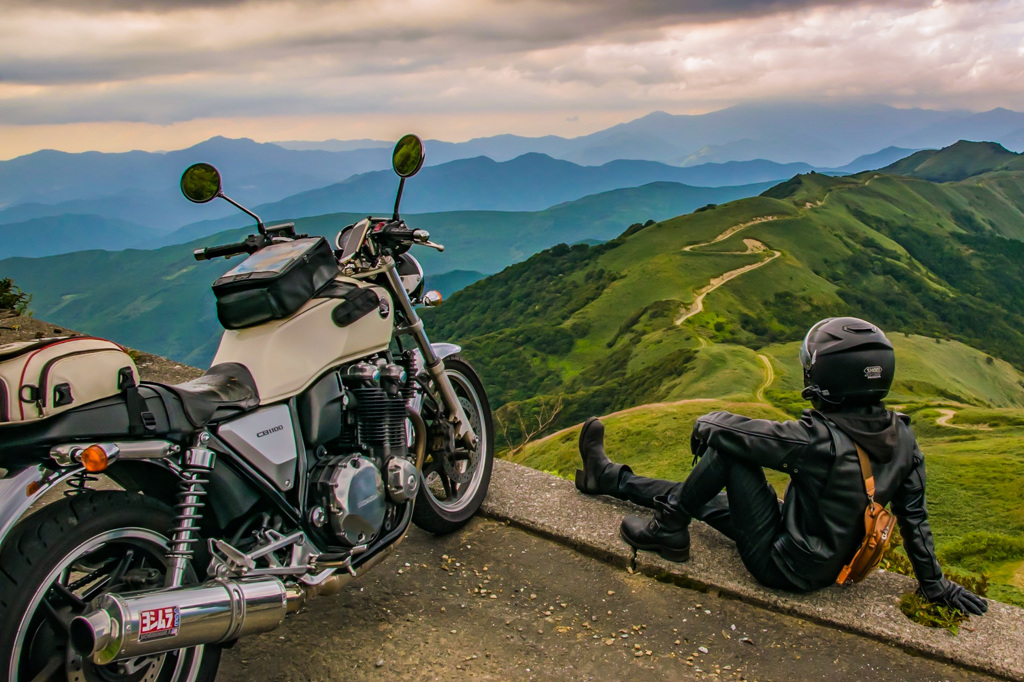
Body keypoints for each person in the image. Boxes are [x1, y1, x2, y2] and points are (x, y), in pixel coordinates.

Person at [575, 317, 987, 614]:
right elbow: (914, 518)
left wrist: (705, 424)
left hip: (781, 564)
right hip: (815, 553)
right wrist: (935, 586)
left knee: (729, 453)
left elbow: (738, 435)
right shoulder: (905, 437)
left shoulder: (818, 438)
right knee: (701, 495)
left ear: (825, 376)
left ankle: (668, 532)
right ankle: (607, 477)